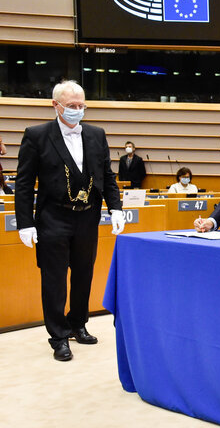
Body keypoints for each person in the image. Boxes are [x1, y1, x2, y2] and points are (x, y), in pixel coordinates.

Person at [14, 80, 125, 361]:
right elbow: (25, 184)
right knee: (54, 278)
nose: (78, 110)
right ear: (56, 105)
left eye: (82, 105)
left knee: (84, 273)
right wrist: (25, 223)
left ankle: (78, 323)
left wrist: (116, 208)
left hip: (87, 216)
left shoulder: (96, 135)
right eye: (72, 106)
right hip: (53, 217)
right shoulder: (36, 136)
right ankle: (58, 335)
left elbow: (107, 176)